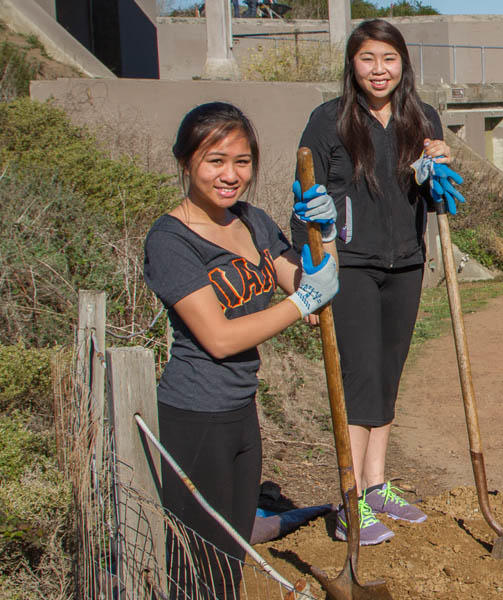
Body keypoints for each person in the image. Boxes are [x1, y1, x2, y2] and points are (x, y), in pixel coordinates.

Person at [144, 101, 339, 598]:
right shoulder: (170, 241)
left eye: (242, 161)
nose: (230, 175)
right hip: (194, 415)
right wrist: (303, 301)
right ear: (185, 161)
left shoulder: (251, 220)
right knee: (199, 564)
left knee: (231, 553)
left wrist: (327, 239)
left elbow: (310, 285)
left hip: (239, 409)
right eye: (215, 160)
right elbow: (220, 337)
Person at [290, 18, 459, 545]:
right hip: (351, 266)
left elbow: (439, 201)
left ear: (403, 63)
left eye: (388, 59)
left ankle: (377, 483)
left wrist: (441, 173)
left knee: (388, 374)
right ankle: (350, 499)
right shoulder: (328, 121)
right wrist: (309, 265)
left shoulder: (421, 118)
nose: (378, 70)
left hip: (406, 264)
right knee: (360, 380)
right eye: (367, 59)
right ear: (352, 64)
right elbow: (304, 199)